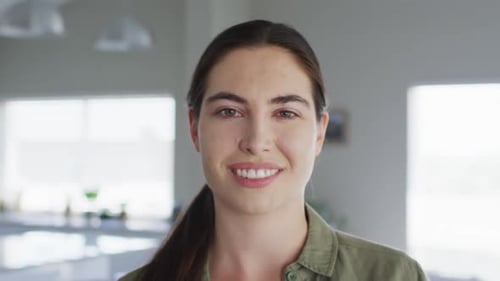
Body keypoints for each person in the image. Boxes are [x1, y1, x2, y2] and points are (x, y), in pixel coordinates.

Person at [119, 19, 428, 281]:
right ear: (193, 127)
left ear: (319, 132)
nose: (256, 141)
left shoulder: (393, 275)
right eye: (229, 111)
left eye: (285, 113)